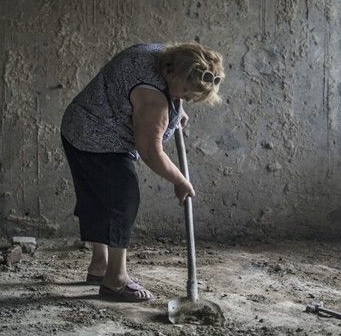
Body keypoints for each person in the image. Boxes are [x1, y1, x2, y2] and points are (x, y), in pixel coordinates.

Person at [60, 42, 225, 302]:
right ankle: (115, 280)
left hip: (77, 124)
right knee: (122, 199)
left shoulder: (163, 55)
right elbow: (150, 151)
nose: (187, 98)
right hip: (98, 138)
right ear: (173, 74)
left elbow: (168, 87)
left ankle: (99, 266)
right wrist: (179, 180)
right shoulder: (154, 99)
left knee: (97, 197)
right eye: (185, 91)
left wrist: (178, 105)